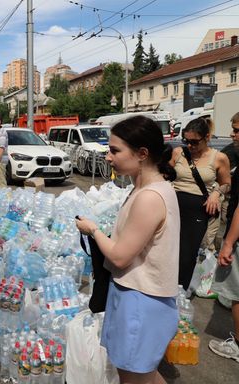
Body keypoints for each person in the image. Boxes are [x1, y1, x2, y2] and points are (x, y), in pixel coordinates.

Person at [76, 115, 180, 384]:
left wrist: (94, 230)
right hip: (138, 297)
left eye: (115, 150)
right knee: (144, 372)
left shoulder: (149, 197)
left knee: (134, 377)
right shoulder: (148, 188)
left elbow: (121, 256)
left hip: (141, 302)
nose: (108, 157)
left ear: (142, 153)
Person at [169, 117, 230, 290]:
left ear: (207, 137)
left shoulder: (219, 158)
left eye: (195, 142)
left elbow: (227, 184)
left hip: (197, 212)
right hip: (173, 207)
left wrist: (216, 193)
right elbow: (165, 173)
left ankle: (180, 292)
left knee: (187, 255)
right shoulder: (178, 153)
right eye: (186, 141)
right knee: (168, 251)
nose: (190, 146)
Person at [209, 111, 239, 363]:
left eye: (238, 130)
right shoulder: (232, 152)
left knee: (237, 292)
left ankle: (237, 346)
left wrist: (228, 242)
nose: (232, 134)